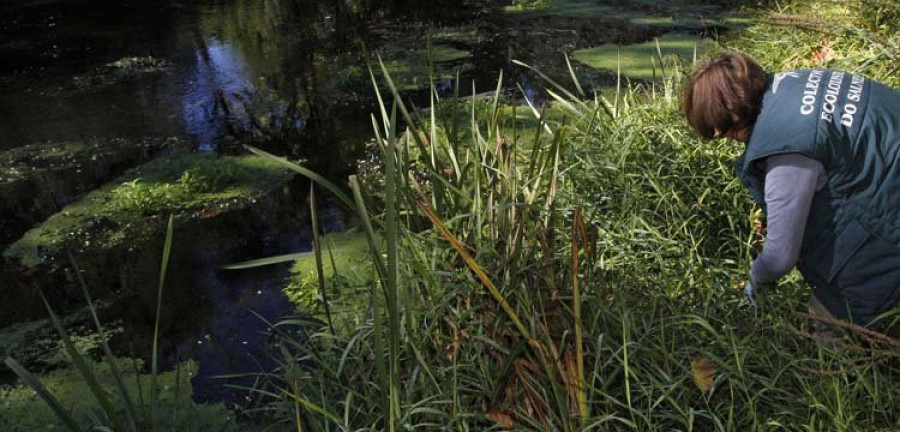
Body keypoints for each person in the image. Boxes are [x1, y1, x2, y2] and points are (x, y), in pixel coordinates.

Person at [683, 51, 900, 326]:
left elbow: (781, 255)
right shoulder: (795, 82)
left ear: (735, 117)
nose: (729, 140)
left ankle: (860, 361)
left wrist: (757, 278)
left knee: (828, 324)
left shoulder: (786, 150)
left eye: (722, 132)